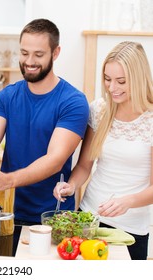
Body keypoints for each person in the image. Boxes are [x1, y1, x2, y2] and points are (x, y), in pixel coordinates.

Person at [0, 18, 89, 225]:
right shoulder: (5, 98)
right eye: (24, 53)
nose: (29, 61)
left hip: (52, 216)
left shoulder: (73, 102)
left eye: (39, 54)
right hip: (8, 213)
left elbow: (55, 161)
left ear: (55, 53)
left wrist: (9, 180)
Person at [53, 41, 153, 260]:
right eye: (107, 79)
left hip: (131, 229)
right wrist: (71, 185)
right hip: (89, 219)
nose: (112, 87)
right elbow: (84, 165)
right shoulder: (99, 109)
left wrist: (127, 201)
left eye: (121, 81)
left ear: (138, 78)